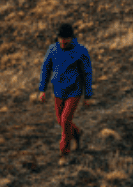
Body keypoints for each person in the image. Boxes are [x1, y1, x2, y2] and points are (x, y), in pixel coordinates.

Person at [31, 23, 94, 162]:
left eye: (66, 38)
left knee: (65, 120)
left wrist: (88, 95)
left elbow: (87, 74)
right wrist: (42, 90)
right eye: (61, 38)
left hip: (74, 91)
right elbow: (45, 70)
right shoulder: (52, 50)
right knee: (60, 120)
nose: (63, 41)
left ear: (71, 38)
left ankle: (64, 153)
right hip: (58, 91)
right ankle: (76, 133)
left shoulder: (81, 51)